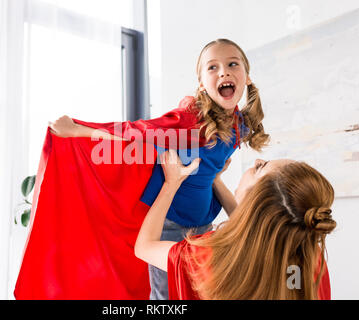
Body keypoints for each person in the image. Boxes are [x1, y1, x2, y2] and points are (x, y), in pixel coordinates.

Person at [48, 38, 270, 299]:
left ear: (247, 76)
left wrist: (242, 219)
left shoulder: (239, 125)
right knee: (166, 296)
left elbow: (210, 175)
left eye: (233, 64)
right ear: (201, 84)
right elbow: (135, 133)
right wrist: (77, 130)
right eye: (212, 67)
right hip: (170, 224)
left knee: (202, 293)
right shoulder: (189, 120)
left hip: (205, 225)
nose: (224, 71)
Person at [135, 150, 336, 300]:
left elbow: (144, 247)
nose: (257, 160)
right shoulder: (308, 256)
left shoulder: (209, 258)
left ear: (254, 201)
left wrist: (171, 184)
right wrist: (216, 180)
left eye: (260, 167)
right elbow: (257, 226)